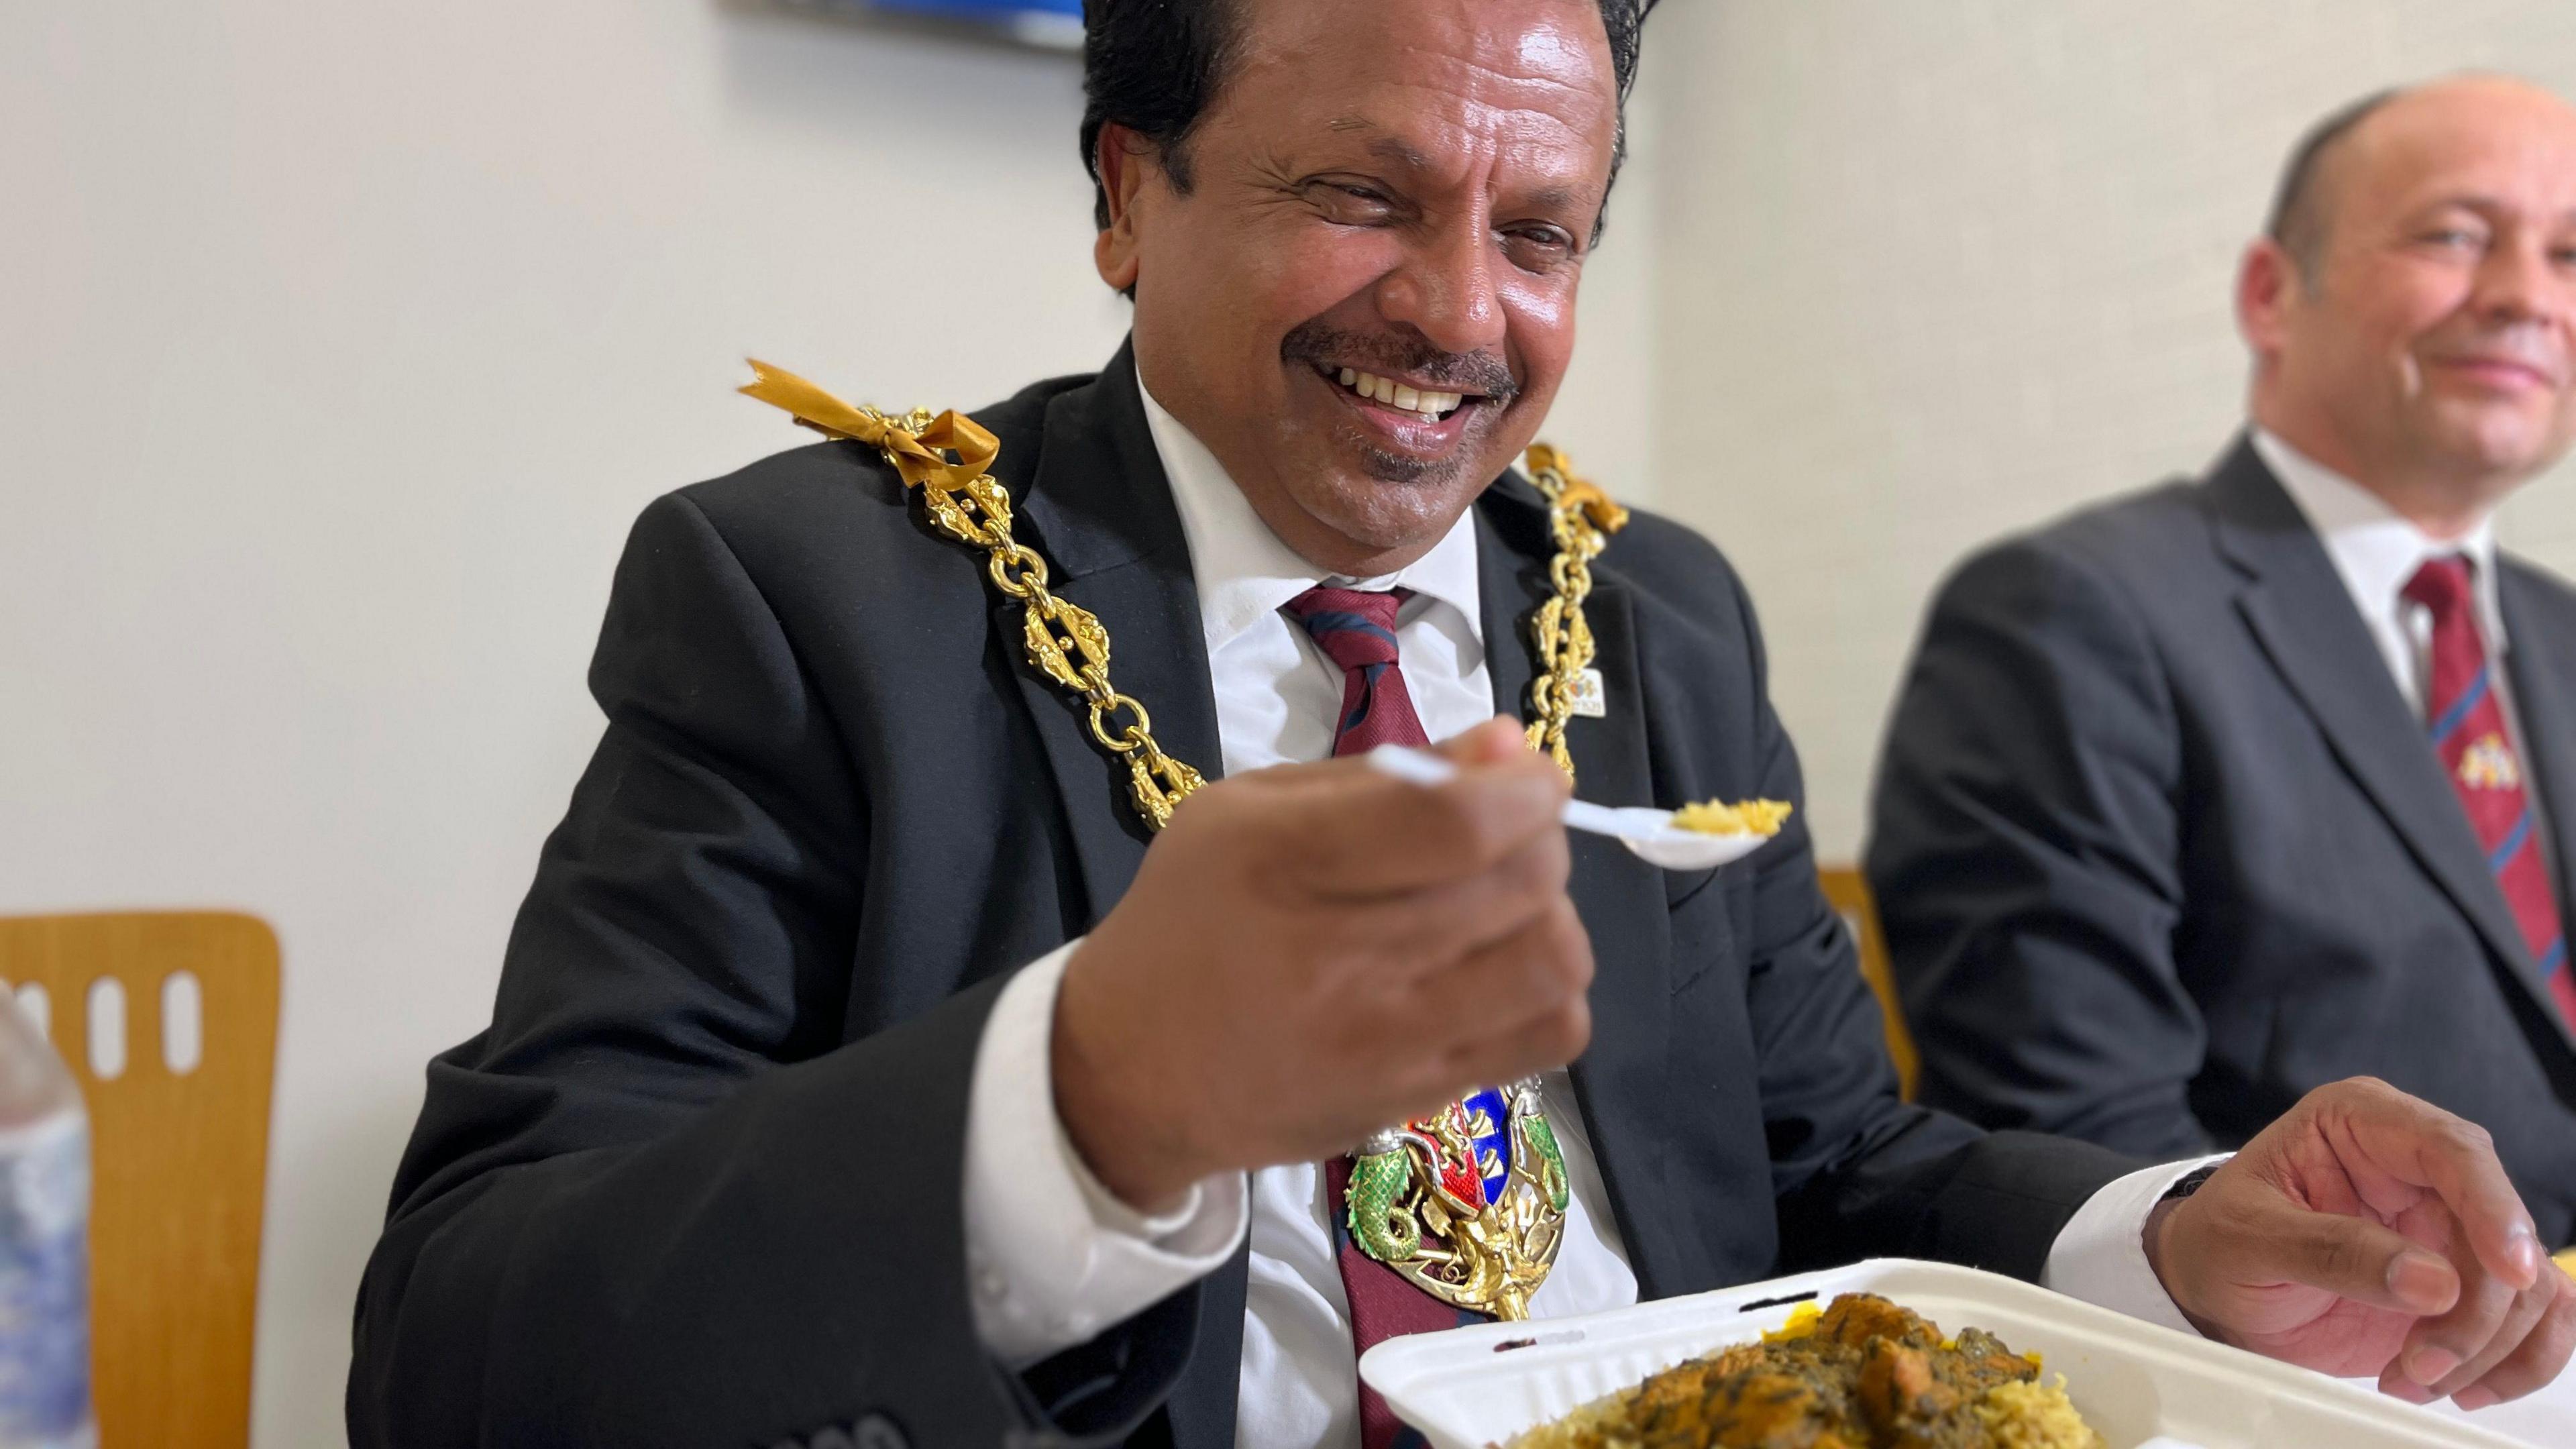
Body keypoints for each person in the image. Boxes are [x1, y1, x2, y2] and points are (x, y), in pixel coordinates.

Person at [350, 11, 2571, 1444]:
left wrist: (2175, 1242)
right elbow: (459, 1346)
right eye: (1359, 195)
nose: (1459, 313)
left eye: (1542, 230)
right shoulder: (830, 595)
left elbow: (1823, 1165)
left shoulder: (1653, 605)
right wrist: (1089, 1104)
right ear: (1128, 192)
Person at [1870, 74, 2576, 1320]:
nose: (2529, 295)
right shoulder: (2066, 614)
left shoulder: (2564, 635)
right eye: (2455, 236)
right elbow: (2088, 1145)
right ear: (2269, 294)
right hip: (2343, 1371)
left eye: (2571, 255)